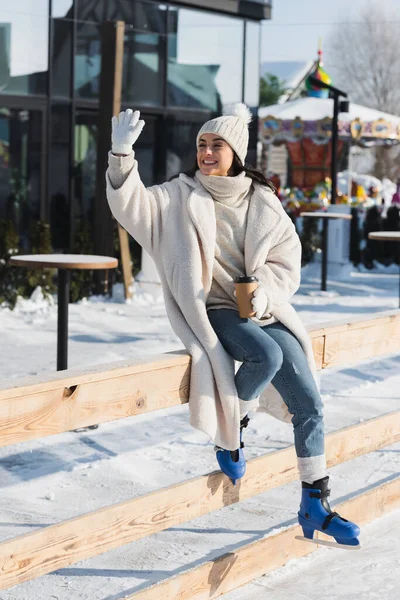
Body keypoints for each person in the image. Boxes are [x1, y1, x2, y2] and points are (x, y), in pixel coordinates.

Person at [106, 104, 360, 549]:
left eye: (216, 145)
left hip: (261, 307)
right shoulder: (179, 195)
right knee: (268, 355)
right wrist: (122, 154)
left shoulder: (262, 199)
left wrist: (265, 291)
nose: (206, 152)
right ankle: (233, 430)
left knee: (311, 403)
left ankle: (314, 503)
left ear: (235, 152)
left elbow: (286, 259)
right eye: (202, 144)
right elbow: (133, 208)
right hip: (216, 309)